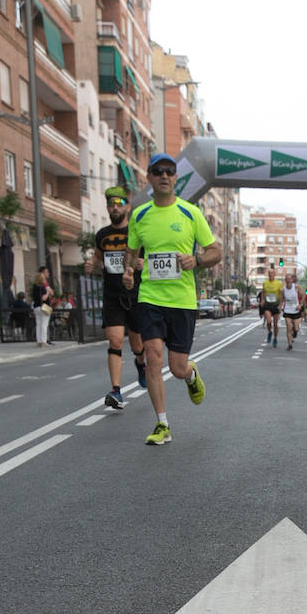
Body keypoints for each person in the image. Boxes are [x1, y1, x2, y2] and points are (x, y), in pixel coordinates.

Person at [125, 151, 221, 446]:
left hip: (182, 300)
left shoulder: (190, 213)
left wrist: (197, 260)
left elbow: (215, 250)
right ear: (149, 178)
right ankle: (162, 424)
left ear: (176, 178)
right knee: (152, 356)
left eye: (169, 171)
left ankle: (191, 375)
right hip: (150, 297)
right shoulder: (140, 215)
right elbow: (131, 254)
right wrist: (129, 272)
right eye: (158, 171)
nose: (164, 176)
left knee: (177, 367)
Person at [84, 184, 147, 412]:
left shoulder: (137, 232)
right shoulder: (102, 235)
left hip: (136, 294)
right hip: (112, 294)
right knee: (115, 340)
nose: (114, 207)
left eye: (118, 203)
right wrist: (93, 264)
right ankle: (116, 390)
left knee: (138, 343)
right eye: (111, 204)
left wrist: (143, 263)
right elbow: (99, 259)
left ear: (127, 207)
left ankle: (141, 364)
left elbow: (150, 260)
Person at [279, 271, 303, 350]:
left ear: (292, 280)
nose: (288, 280)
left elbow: (304, 296)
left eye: (290, 279)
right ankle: (289, 344)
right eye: (287, 279)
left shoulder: (296, 287)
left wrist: (300, 305)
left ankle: (295, 332)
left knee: (296, 328)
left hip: (296, 310)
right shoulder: (283, 290)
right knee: (288, 327)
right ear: (285, 280)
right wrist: (280, 306)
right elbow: (281, 300)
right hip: (287, 310)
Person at [261, 266, 282, 346]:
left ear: (275, 274)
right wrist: (262, 300)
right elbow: (263, 292)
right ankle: (270, 332)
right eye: (269, 273)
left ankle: (275, 338)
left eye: (272, 273)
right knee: (269, 321)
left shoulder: (278, 283)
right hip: (267, 305)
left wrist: (280, 304)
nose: (271, 275)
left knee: (276, 324)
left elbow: (281, 294)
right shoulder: (265, 283)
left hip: (275, 304)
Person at [31, 272, 52, 345]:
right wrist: (48, 293)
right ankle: (44, 341)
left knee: (38, 324)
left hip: (36, 307)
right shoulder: (42, 287)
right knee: (44, 324)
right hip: (43, 307)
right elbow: (44, 298)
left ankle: (39, 341)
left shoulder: (34, 287)